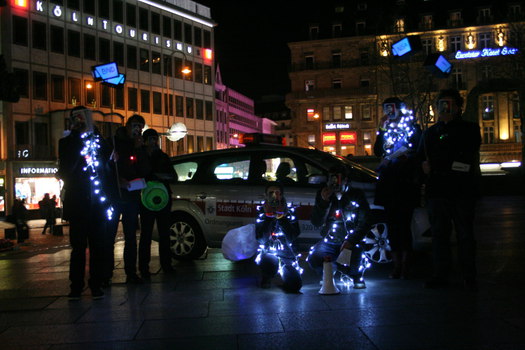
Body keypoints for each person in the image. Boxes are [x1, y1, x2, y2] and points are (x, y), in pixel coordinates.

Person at [418, 89, 481, 291]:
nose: (444, 109)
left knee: (464, 233)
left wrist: (436, 165)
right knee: (439, 234)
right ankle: (441, 273)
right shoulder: (429, 133)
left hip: (461, 190)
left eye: (449, 104)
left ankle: (468, 274)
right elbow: (420, 157)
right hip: (438, 191)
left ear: (457, 107)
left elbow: (465, 157)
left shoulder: (469, 129)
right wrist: (425, 168)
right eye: (441, 105)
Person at [57, 106, 114, 300]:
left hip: (97, 202)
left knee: (98, 245)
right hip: (78, 202)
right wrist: (77, 139)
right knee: (78, 247)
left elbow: (108, 157)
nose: (81, 122)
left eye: (84, 119)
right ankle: (76, 285)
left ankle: (96, 283)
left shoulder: (97, 142)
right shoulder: (66, 143)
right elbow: (65, 170)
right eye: (77, 119)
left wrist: (95, 133)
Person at [374, 97, 422, 279]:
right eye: (387, 109)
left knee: (404, 225)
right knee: (393, 227)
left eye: (392, 109)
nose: (389, 112)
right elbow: (378, 151)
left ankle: (406, 264)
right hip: (389, 185)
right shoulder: (386, 130)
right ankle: (397, 265)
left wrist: (407, 158)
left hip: (405, 183)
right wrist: (382, 129)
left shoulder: (412, 128)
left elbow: (418, 149)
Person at [307, 166, 372, 289]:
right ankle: (329, 271)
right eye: (332, 179)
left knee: (352, 263)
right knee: (315, 257)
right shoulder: (324, 195)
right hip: (330, 240)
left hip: (351, 241)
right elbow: (316, 222)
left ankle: (355, 274)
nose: (335, 182)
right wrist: (324, 202)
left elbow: (365, 222)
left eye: (338, 178)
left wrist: (351, 241)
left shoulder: (356, 195)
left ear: (345, 180)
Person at [106, 114, 151, 284]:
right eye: (135, 125)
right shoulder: (114, 142)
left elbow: (145, 170)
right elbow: (106, 167)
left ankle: (131, 272)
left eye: (140, 126)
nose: (137, 129)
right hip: (114, 195)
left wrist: (140, 149)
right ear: (127, 126)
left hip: (131, 195)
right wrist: (117, 181)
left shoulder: (138, 145)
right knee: (109, 235)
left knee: (131, 236)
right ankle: (107, 272)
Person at [138, 128, 177, 279]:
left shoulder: (163, 156)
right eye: (150, 139)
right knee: (146, 234)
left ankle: (166, 264)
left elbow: (174, 176)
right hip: (145, 198)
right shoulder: (139, 155)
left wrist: (160, 176)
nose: (153, 142)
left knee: (164, 233)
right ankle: (143, 267)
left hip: (163, 198)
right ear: (145, 140)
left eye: (155, 139)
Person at [254, 182, 302, 292]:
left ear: (282, 195)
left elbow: (292, 237)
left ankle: (284, 272)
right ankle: (268, 274)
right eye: (271, 193)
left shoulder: (290, 211)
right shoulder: (262, 211)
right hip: (269, 252)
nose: (274, 196)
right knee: (268, 264)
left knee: (294, 285)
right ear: (266, 195)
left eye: (277, 193)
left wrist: (281, 217)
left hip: (287, 254)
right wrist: (268, 217)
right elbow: (261, 239)